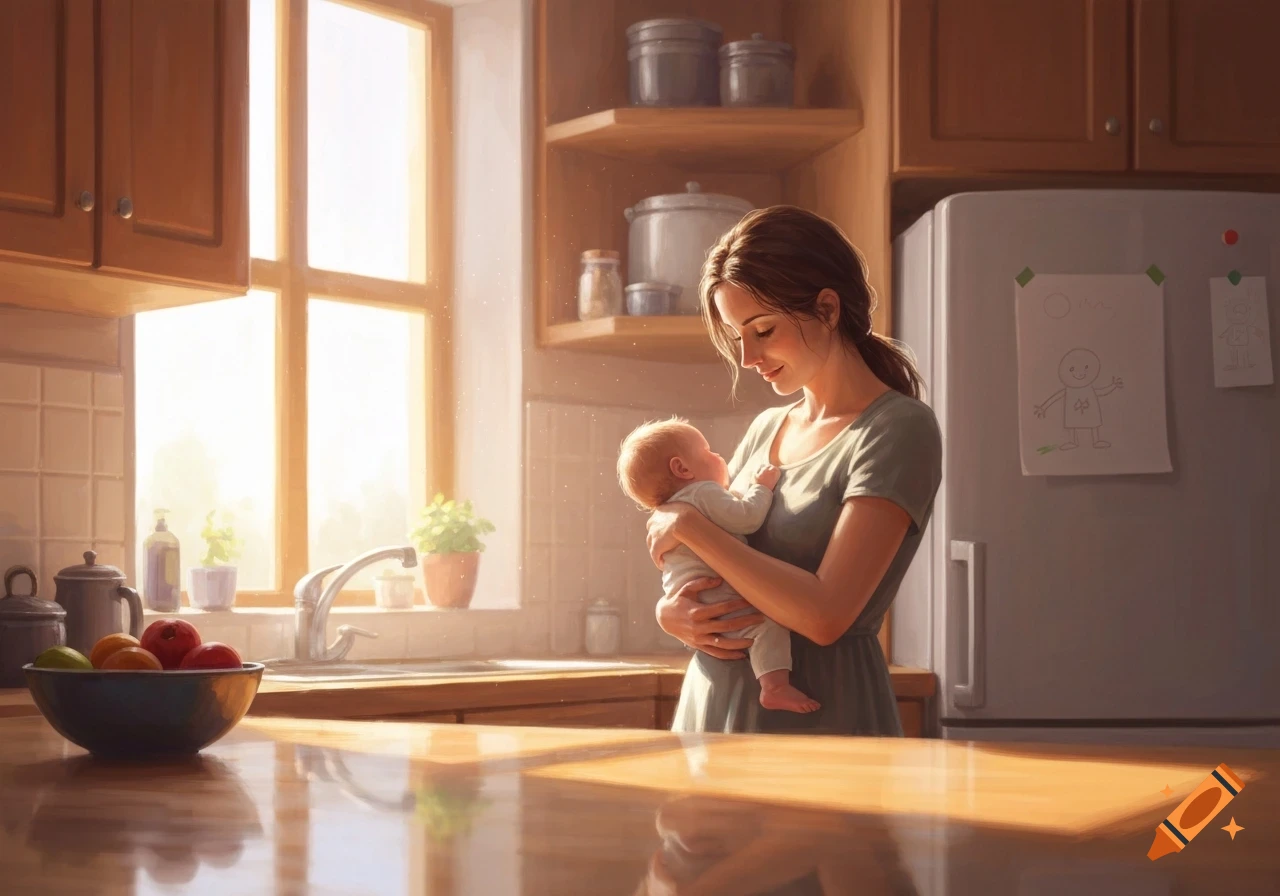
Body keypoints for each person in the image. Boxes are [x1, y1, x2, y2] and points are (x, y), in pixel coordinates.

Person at [646, 205, 943, 736]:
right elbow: (717, 560)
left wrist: (687, 526)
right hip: (712, 715)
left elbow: (825, 616)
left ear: (827, 309)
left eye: (763, 330)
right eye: (737, 336)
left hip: (824, 716)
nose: (747, 357)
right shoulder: (767, 428)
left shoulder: (898, 429)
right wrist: (670, 613)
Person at [616, 416, 819, 714]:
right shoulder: (703, 492)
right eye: (708, 451)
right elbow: (746, 518)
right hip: (719, 596)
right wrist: (762, 487)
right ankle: (774, 686)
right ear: (682, 468)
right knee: (766, 626)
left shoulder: (673, 509)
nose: (719, 456)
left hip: (696, 601)